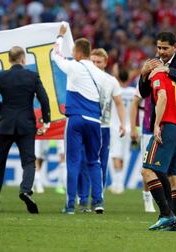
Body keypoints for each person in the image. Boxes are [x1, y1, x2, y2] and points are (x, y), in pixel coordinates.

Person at [138, 31, 176, 231]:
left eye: (164, 48)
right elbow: (145, 92)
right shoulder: (154, 65)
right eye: (158, 47)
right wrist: (144, 74)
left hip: (168, 124)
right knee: (175, 176)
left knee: (150, 170)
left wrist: (166, 71)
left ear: (174, 47)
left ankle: (167, 214)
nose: (160, 52)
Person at [0, 46, 50, 213]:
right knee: (28, 161)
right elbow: (44, 99)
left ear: (9, 60)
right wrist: (46, 122)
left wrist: (3, 108)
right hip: (26, 125)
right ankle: (26, 190)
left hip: (5, 124)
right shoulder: (32, 76)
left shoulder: (1, 76)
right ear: (23, 59)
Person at [52, 24, 106, 214]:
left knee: (73, 161)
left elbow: (55, 54)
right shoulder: (101, 74)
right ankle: (98, 201)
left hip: (76, 119)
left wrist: (60, 36)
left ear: (77, 53)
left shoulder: (73, 66)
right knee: (94, 161)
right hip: (95, 122)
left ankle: (70, 206)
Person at [76, 48, 126, 211]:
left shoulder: (110, 81)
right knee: (83, 161)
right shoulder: (83, 78)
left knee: (102, 163)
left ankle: (98, 197)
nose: (96, 64)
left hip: (104, 127)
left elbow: (119, 102)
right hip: (86, 124)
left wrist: (122, 123)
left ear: (105, 63)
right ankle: (83, 199)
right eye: (93, 61)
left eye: (99, 62)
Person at [130, 86, 156, 212]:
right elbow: (135, 103)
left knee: (167, 168)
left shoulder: (170, 76)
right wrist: (133, 127)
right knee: (147, 166)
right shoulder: (145, 81)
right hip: (148, 130)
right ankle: (147, 198)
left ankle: (166, 200)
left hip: (166, 128)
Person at [109, 68, 135, 194]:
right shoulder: (133, 91)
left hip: (116, 126)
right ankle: (120, 183)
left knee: (115, 154)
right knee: (124, 155)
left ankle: (116, 183)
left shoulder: (115, 90)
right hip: (130, 127)